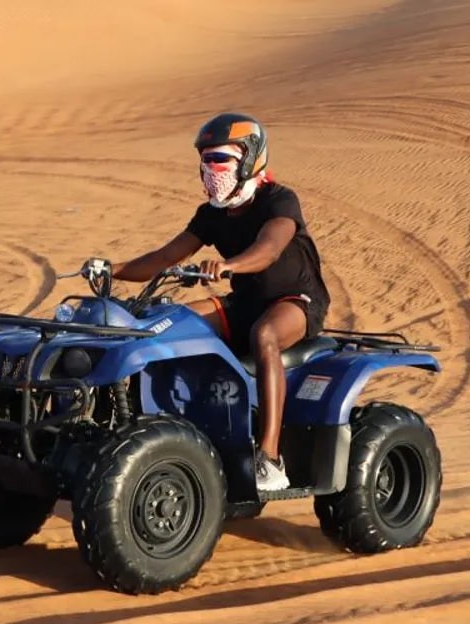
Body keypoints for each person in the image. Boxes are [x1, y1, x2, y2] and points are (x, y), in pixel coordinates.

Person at [107, 111, 331, 495]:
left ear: (249, 159)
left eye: (221, 159)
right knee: (169, 322)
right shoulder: (212, 214)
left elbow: (270, 248)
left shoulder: (279, 201)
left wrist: (229, 266)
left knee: (264, 336)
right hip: (243, 303)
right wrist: (111, 269)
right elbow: (164, 257)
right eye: (206, 160)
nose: (212, 168)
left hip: (294, 302)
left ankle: (270, 459)